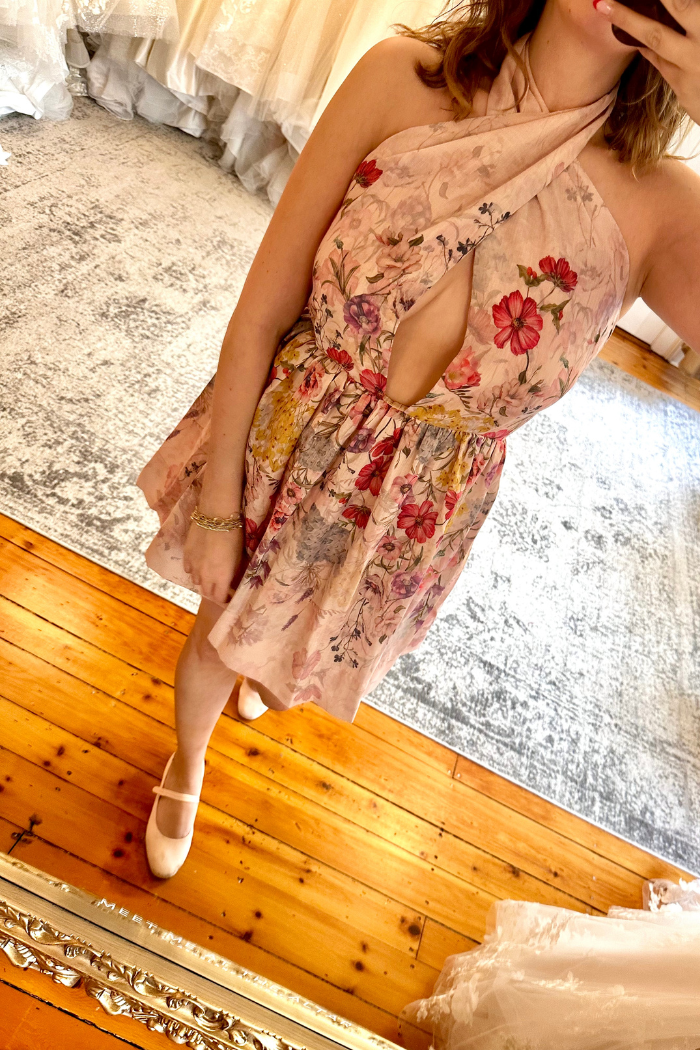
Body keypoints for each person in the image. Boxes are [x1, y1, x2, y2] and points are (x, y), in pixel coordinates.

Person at [137, 0, 700, 878]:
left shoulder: (663, 204)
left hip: (412, 510)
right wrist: (214, 512)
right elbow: (262, 309)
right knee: (216, 642)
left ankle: (257, 682)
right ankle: (188, 761)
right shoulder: (399, 78)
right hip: (292, 440)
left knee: (291, 666)